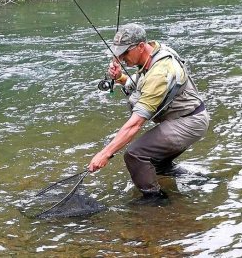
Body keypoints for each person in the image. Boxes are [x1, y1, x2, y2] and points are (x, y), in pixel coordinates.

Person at [88, 23, 209, 202]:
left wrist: (105, 153)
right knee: (156, 162)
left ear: (141, 46)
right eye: (118, 54)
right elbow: (143, 83)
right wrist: (121, 78)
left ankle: (155, 200)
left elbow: (135, 124)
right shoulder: (154, 53)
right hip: (189, 117)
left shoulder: (160, 72)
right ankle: (200, 180)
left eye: (124, 53)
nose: (120, 58)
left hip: (189, 121)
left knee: (136, 154)